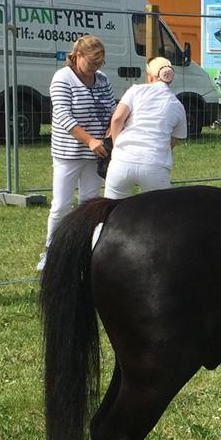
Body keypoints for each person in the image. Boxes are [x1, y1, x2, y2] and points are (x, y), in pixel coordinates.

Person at [40, 36, 115, 270]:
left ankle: (84, 250)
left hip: (96, 155)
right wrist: (89, 140)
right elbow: (62, 115)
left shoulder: (103, 80)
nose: (96, 68)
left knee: (88, 204)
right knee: (61, 205)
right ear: (78, 56)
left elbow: (113, 111)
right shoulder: (63, 78)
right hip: (68, 154)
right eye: (92, 62)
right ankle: (51, 252)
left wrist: (107, 135)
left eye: (99, 63)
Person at [104, 56, 187, 199]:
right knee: (158, 214)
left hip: (122, 160)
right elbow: (173, 141)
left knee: (109, 211)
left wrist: (117, 145)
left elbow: (117, 119)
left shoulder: (136, 90)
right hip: (155, 164)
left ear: (150, 77)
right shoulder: (178, 105)